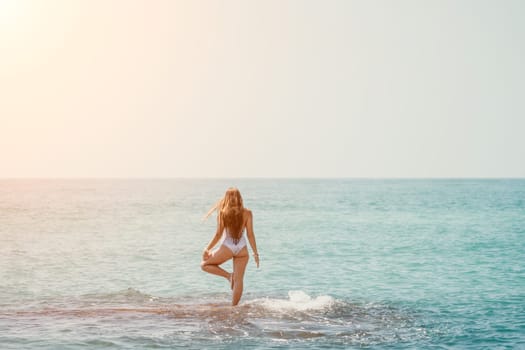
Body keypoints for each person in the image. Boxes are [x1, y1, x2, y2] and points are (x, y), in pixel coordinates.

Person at [201, 188, 260, 306]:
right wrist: (255, 253)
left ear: (226, 198)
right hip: (242, 248)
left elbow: (218, 235)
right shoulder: (248, 213)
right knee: (239, 280)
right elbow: (250, 235)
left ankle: (228, 276)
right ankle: (234, 308)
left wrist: (207, 249)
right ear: (240, 198)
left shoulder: (223, 212)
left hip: (227, 247)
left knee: (204, 265)